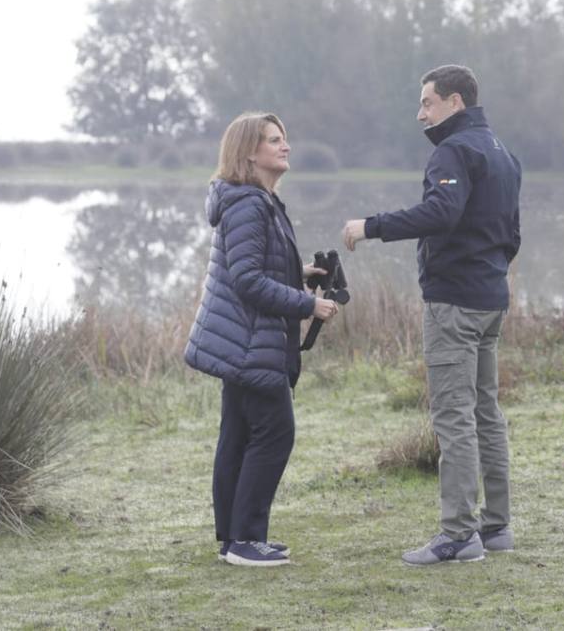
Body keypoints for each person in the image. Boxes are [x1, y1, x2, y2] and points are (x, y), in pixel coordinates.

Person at [343, 64, 522, 565]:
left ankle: (458, 536)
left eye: (427, 102)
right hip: (490, 301)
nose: (420, 112)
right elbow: (513, 236)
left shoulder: (454, 150)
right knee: (486, 411)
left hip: (455, 305)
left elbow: (441, 213)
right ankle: (497, 527)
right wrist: (489, 273)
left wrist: (370, 226)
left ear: (454, 103)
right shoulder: (503, 153)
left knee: (453, 415)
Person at [184, 112, 339, 568]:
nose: (285, 146)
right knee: (274, 433)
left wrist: (300, 274)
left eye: (284, 138)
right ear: (250, 152)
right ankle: (247, 540)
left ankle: (234, 539)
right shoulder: (251, 205)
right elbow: (248, 281)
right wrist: (307, 304)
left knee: (238, 434)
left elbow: (250, 269)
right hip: (250, 344)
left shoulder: (256, 200)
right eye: (274, 140)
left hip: (243, 341)